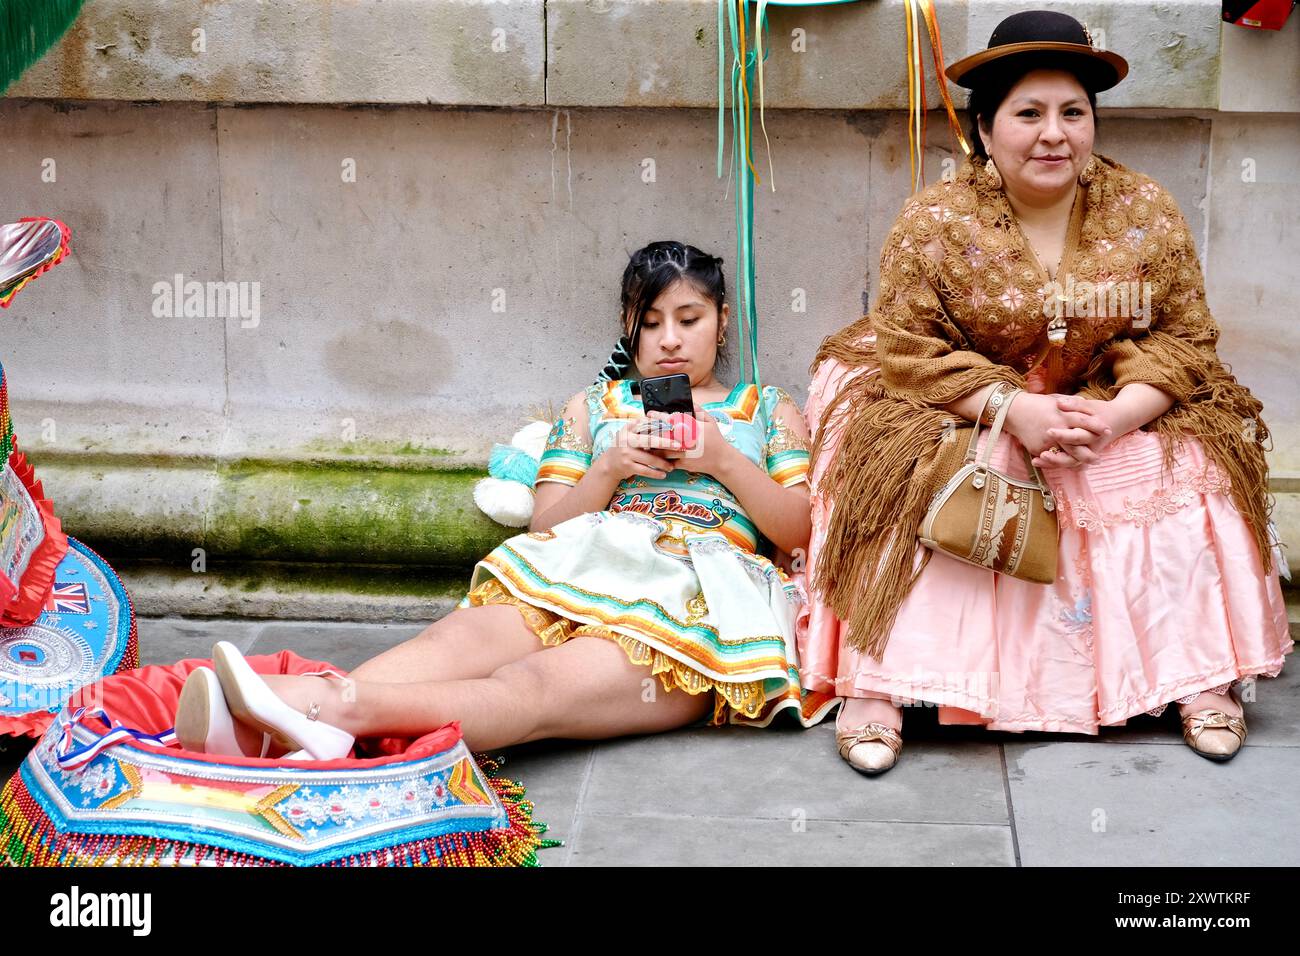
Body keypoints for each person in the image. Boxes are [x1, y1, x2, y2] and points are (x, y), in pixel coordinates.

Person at [798, 10, 1293, 776]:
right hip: (959, 388)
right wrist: (1014, 410)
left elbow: (1188, 339)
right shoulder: (933, 220)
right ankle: (879, 685)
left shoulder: (1146, 212)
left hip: (1105, 389)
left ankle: (1195, 677)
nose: (1054, 134)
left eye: (1073, 113)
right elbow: (905, 349)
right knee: (916, 460)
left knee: (1180, 462)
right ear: (986, 131)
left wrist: (1116, 416)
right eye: (1028, 114)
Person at [175, 240, 835, 761]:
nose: (669, 340)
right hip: (581, 561)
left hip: (701, 589)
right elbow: (543, 528)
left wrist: (720, 460)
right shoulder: (592, 407)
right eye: (651, 322)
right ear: (627, 329)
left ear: (722, 323)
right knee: (453, 639)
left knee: (530, 687)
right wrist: (608, 469)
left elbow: (800, 531)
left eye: (689, 320)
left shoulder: (768, 408)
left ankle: (328, 718)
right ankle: (272, 718)